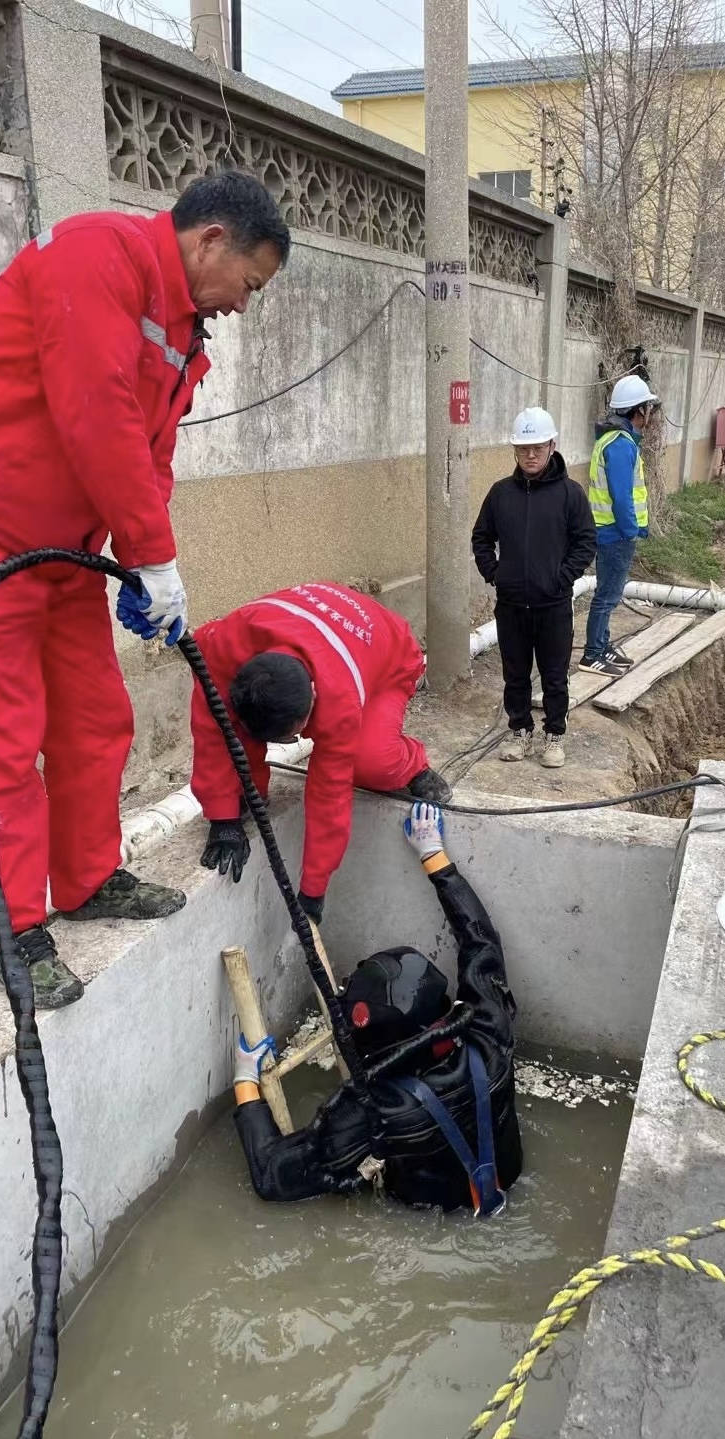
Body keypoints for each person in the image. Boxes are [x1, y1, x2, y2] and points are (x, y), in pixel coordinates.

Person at [0, 171, 289, 1008]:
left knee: (95, 718)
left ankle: (85, 877)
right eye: (249, 283)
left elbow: (148, 452)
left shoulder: (181, 327)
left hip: (64, 552)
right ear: (211, 241)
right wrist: (152, 554)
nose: (243, 304)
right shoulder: (97, 256)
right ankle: (10, 929)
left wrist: (142, 559)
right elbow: (96, 413)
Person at [232, 802, 521, 1212]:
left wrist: (245, 1080)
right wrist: (434, 855)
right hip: (508, 1182)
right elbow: (481, 942)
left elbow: (271, 1175)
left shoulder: (371, 1108)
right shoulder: (488, 1030)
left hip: (424, 1216)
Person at [190, 582, 452, 922]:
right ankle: (245, 790)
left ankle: (412, 764)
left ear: (313, 695)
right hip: (318, 626)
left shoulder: (340, 698)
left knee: (370, 761)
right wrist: (223, 818)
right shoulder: (221, 646)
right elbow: (213, 732)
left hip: (389, 656)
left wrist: (313, 892)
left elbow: (329, 795)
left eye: (291, 736)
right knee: (232, 732)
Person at [471, 407, 596, 769]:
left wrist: (562, 578)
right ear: (515, 450)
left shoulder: (570, 495)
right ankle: (520, 730)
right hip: (511, 605)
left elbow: (586, 542)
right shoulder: (500, 494)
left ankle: (554, 735)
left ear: (552, 446)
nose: (530, 455)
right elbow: (481, 537)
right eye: (523, 449)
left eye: (538, 448)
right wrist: (495, 573)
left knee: (555, 677)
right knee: (515, 675)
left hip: (553, 606)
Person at [579, 375, 660, 676]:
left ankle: (602, 645)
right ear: (638, 411)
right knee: (607, 596)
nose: (650, 413)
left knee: (609, 593)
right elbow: (622, 496)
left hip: (610, 530)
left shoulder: (613, 440)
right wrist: (631, 531)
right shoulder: (621, 446)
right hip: (615, 532)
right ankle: (592, 654)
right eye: (648, 408)